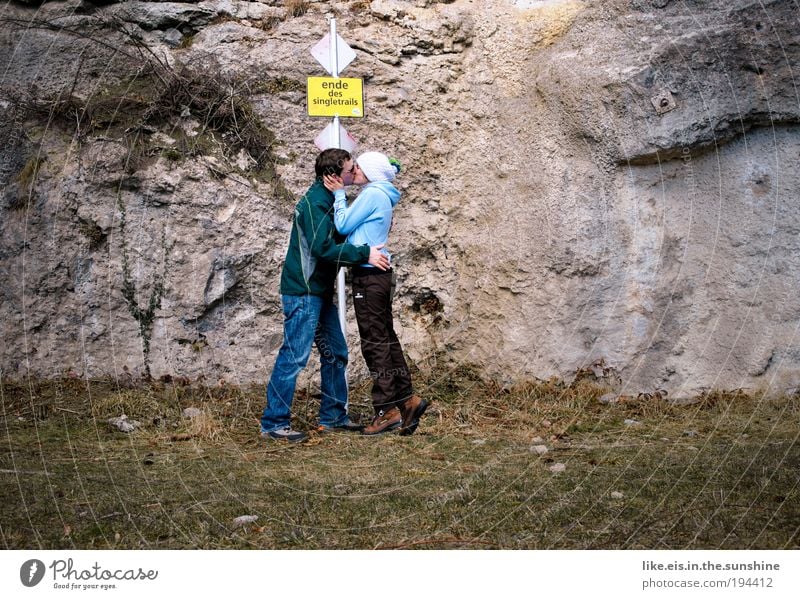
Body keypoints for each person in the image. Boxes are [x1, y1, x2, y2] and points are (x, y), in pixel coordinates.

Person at [260, 148, 390, 442]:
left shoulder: (328, 198)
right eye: (349, 170)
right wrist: (364, 253)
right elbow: (323, 249)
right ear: (333, 176)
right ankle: (273, 423)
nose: (354, 173)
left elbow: (338, 235)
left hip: (316, 291)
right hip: (304, 292)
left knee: (336, 353)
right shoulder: (317, 203)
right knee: (294, 356)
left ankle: (333, 416)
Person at [324, 151, 428, 436]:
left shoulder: (372, 194)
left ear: (371, 171)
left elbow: (343, 225)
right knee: (386, 338)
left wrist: (340, 194)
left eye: (358, 166)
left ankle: (386, 410)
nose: (354, 170)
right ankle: (407, 399)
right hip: (378, 276)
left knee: (374, 343)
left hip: (369, 277)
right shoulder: (382, 195)